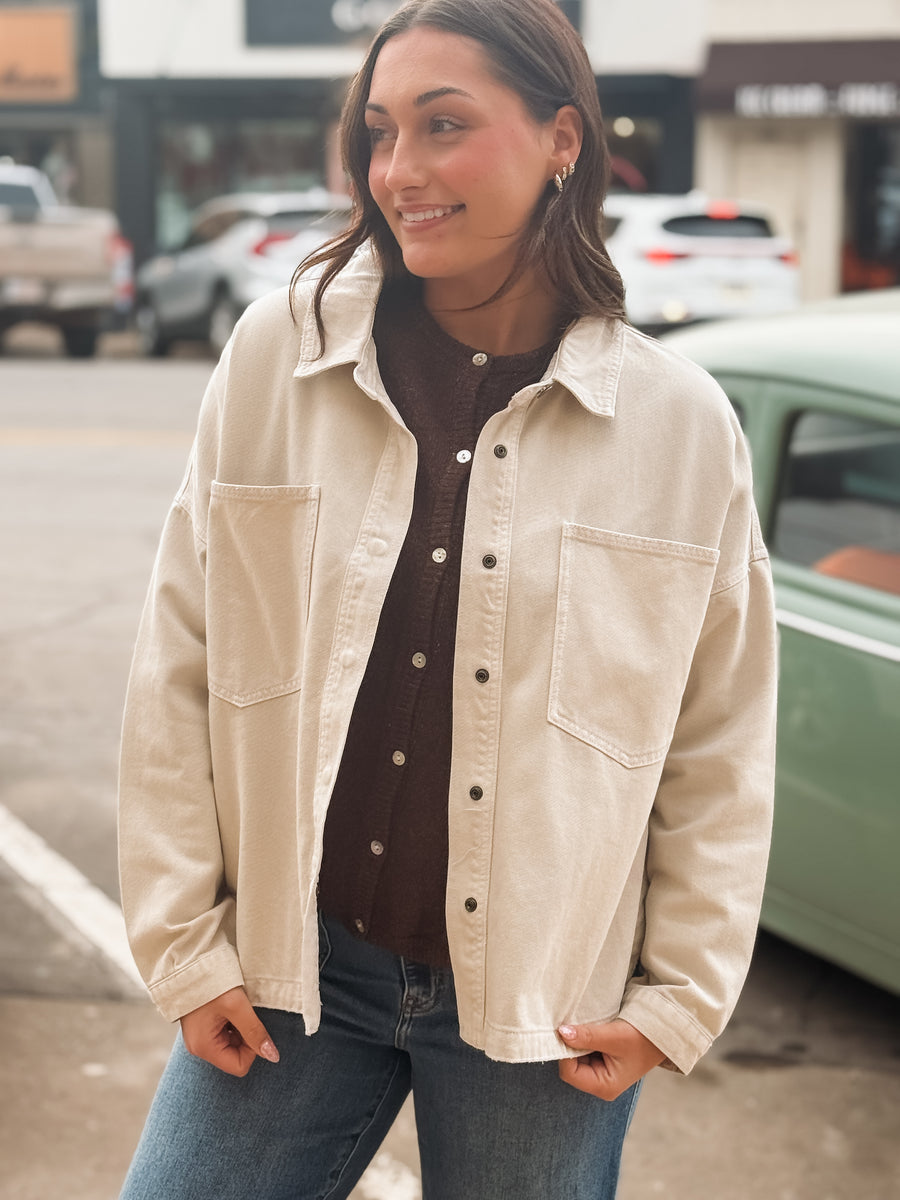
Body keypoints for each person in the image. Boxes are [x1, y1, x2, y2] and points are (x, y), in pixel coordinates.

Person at [117, 1, 777, 1196]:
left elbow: (718, 739)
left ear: (562, 140)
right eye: (380, 131)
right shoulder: (280, 356)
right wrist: (184, 943)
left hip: (540, 1003)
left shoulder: (678, 426)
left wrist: (678, 998)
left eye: (444, 124)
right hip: (290, 973)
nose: (399, 170)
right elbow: (183, 653)